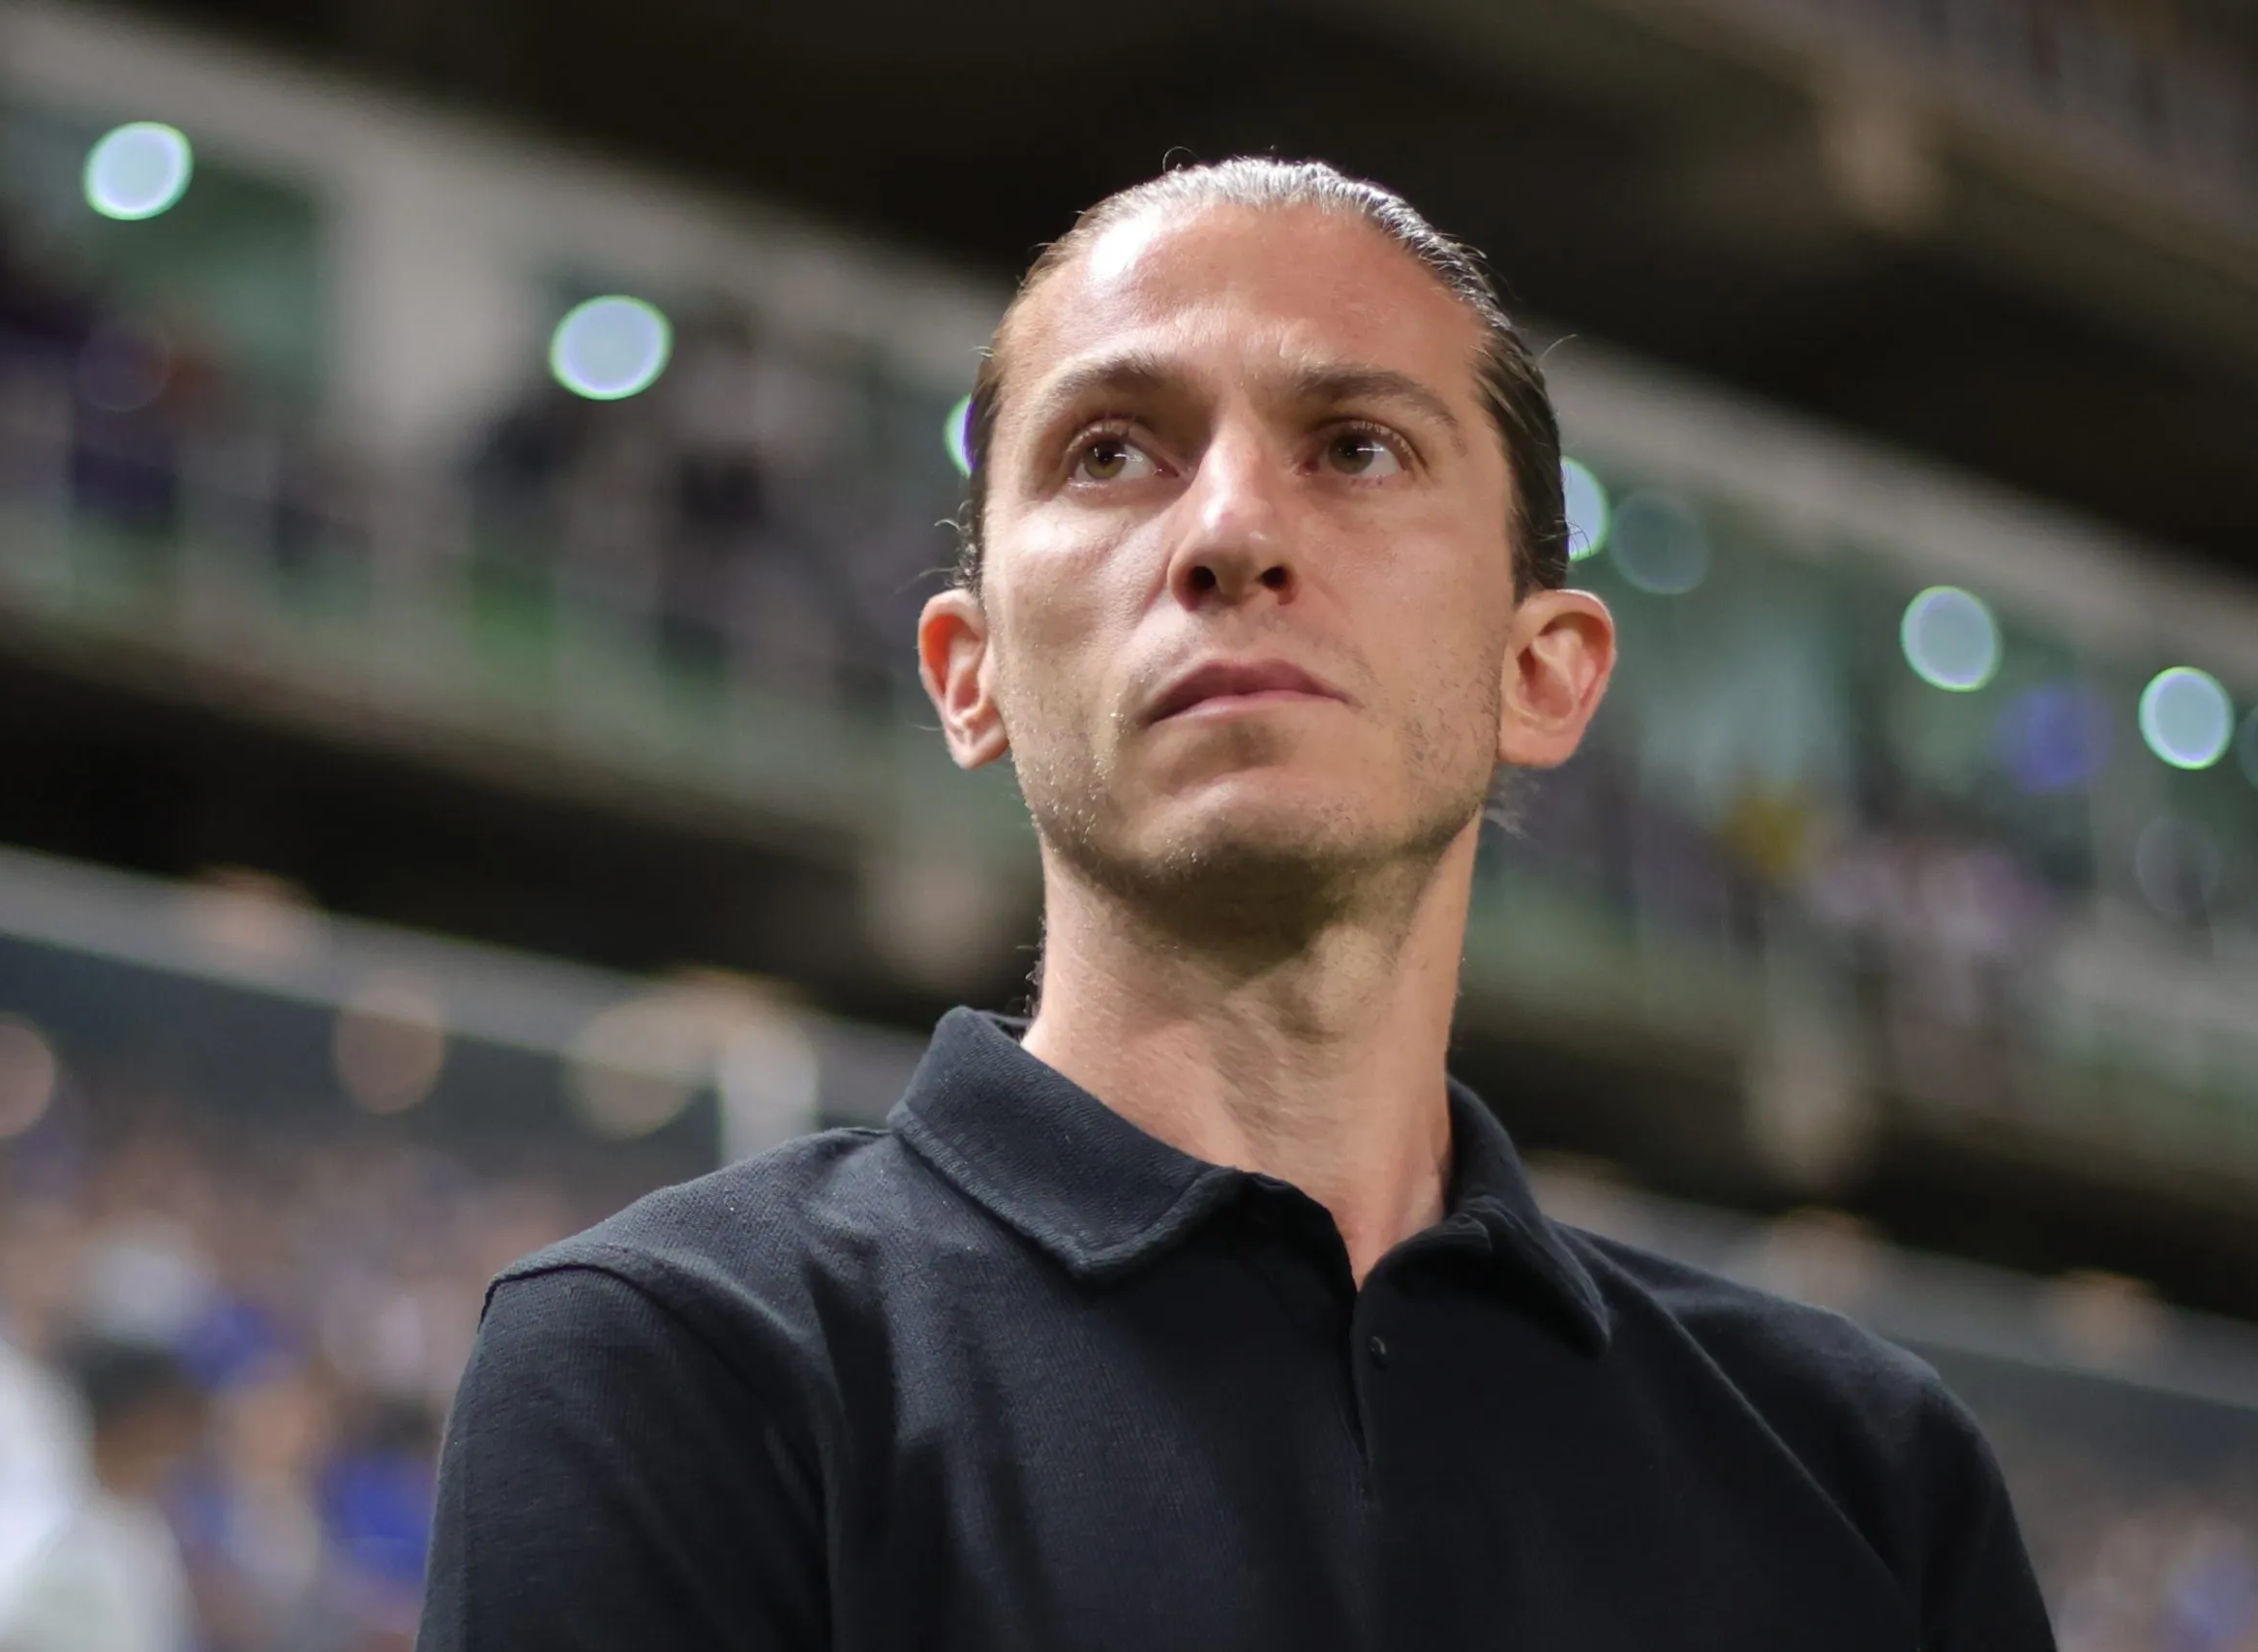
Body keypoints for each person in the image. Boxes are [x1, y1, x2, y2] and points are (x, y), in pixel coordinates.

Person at [418, 158, 2055, 1650]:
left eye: (1356, 447)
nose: (1231, 531)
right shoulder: (677, 1368)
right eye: (1111, 450)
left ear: (1540, 673)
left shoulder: (1865, 1470)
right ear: (966, 674)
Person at [0, 1337, 204, 1652]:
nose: (177, 1449)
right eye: (167, 1427)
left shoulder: (143, 1523)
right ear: (136, 1423)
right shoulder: (27, 1505)